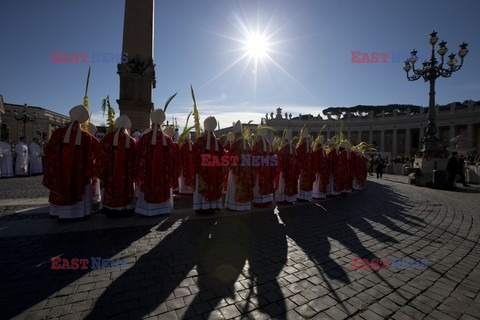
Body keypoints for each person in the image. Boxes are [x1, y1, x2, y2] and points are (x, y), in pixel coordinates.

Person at [42, 105, 96, 219]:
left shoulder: (58, 133)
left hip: (60, 170)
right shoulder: (87, 136)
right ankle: (80, 212)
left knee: (61, 183)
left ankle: (59, 212)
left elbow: (49, 151)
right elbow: (98, 150)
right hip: (79, 172)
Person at [135, 109, 176, 216]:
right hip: (163, 173)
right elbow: (172, 157)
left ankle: (147, 210)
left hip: (149, 172)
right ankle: (163, 209)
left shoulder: (144, 138)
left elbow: (139, 155)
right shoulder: (167, 139)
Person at [96, 115, 137, 217]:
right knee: (125, 186)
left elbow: (101, 155)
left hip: (111, 174)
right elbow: (136, 159)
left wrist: (103, 170)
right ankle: (126, 208)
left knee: (111, 185)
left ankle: (111, 208)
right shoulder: (132, 141)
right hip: (126, 175)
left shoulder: (108, 138)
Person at [193, 116, 224, 212]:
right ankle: (213, 206)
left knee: (204, 186)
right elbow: (223, 159)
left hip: (203, 171)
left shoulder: (200, 140)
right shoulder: (218, 142)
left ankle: (203, 207)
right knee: (213, 185)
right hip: (215, 172)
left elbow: (195, 156)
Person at [225, 121, 253, 211]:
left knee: (234, 186)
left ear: (236, 134)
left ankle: (234, 206)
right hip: (246, 171)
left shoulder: (236, 145)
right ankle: (245, 206)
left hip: (236, 171)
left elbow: (232, 159)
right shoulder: (248, 144)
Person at [251, 127, 275, 207]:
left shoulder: (257, 144)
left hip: (259, 170)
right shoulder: (269, 144)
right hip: (267, 169)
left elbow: (254, 156)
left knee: (258, 184)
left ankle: (259, 202)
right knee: (266, 183)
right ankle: (267, 200)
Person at [275, 129, 298, 204]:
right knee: (290, 183)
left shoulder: (283, 148)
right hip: (292, 171)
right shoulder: (294, 148)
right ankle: (290, 199)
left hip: (283, 170)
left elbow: (278, 159)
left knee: (282, 184)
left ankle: (282, 199)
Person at [296, 128, 314, 201]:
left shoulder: (300, 147)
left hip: (302, 168)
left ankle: (301, 197)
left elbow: (297, 157)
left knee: (302, 181)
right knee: (307, 181)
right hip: (308, 168)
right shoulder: (309, 147)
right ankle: (307, 197)